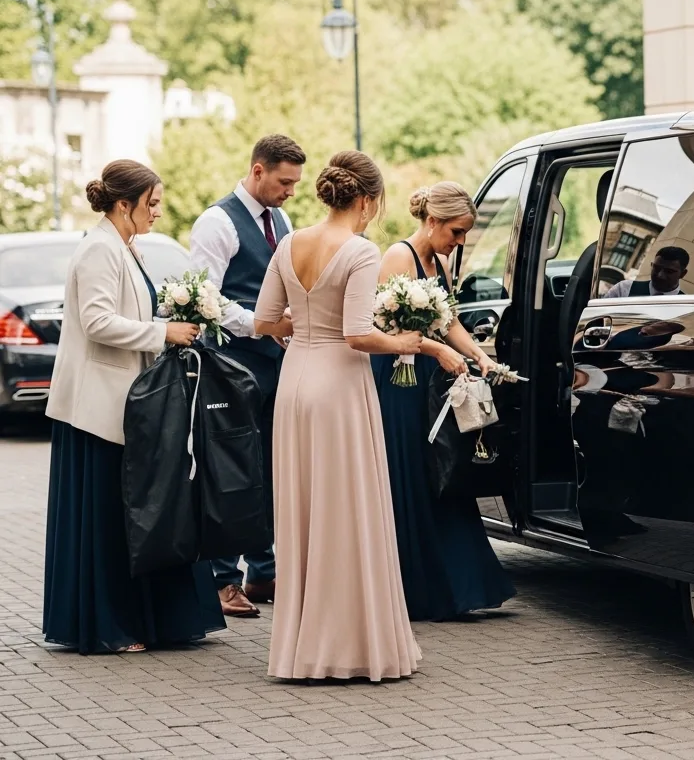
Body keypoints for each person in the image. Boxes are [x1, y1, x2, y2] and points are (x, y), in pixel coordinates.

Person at [43, 160, 225, 654]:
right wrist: (161, 331)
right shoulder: (99, 249)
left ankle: (141, 619)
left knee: (132, 514)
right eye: (153, 203)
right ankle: (108, 626)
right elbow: (98, 321)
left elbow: (129, 311)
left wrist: (174, 314)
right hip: (97, 409)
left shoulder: (125, 246)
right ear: (125, 204)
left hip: (125, 402)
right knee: (109, 519)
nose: (159, 212)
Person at [253, 151, 421, 681]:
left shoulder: (288, 241)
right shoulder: (361, 251)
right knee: (345, 511)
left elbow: (262, 321)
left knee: (304, 513)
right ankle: (348, 644)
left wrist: (300, 332)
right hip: (340, 387)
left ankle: (302, 647)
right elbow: (356, 334)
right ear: (367, 200)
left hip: (295, 383)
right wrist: (406, 342)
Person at [372, 182, 516, 621]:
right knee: (411, 475)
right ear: (432, 221)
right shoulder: (398, 257)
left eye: (465, 233)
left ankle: (457, 583)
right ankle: (415, 589)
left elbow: (447, 317)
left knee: (442, 470)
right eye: (456, 232)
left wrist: (478, 355)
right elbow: (376, 323)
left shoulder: (440, 262)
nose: (460, 242)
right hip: (399, 380)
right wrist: (432, 349)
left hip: (428, 377)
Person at [189, 134, 305, 618]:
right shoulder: (216, 222)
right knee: (231, 470)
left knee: (270, 466)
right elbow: (203, 298)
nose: (290, 192)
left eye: (295, 183)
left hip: (276, 364)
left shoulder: (281, 219)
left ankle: (262, 570)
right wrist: (262, 324)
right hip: (230, 366)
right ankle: (222, 579)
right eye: (284, 181)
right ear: (258, 170)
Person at [601, 246, 689, 298]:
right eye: (657, 268)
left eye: (669, 271)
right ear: (652, 265)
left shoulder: (688, 307)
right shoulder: (624, 289)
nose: (660, 275)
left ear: (683, 274)